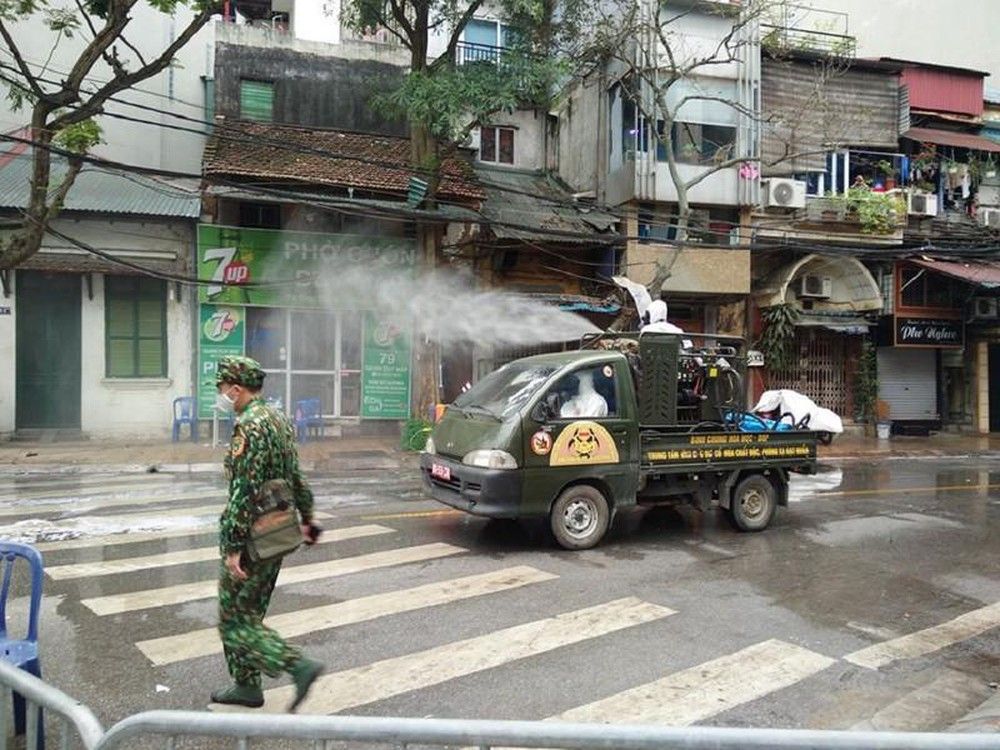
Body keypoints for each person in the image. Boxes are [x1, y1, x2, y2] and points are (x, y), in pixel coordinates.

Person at [209, 355, 324, 711]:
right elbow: (296, 477)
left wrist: (233, 546)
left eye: (221, 388)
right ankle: (246, 686)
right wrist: (308, 517)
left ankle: (297, 665)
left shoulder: (249, 427)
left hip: (252, 538)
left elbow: (243, 491)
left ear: (236, 389)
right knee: (249, 613)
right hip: (279, 532)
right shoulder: (278, 419)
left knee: (233, 621)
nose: (220, 395)